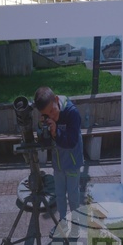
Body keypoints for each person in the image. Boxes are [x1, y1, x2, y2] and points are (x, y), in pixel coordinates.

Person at [34, 87, 84, 232]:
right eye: (46, 114)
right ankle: (62, 223)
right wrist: (41, 127)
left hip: (72, 163)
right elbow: (44, 141)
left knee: (73, 196)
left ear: (56, 100)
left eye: (52, 110)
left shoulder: (72, 113)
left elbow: (72, 141)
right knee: (60, 195)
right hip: (58, 163)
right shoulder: (47, 115)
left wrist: (56, 132)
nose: (51, 115)